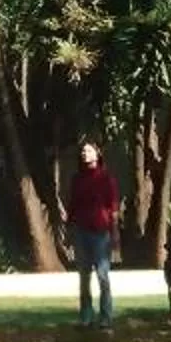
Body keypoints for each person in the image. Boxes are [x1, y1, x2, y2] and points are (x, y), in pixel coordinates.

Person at [66, 138, 120, 325]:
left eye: (88, 150)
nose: (85, 154)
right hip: (80, 232)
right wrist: (68, 231)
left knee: (102, 275)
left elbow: (113, 208)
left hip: (100, 233)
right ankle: (86, 314)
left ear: (97, 154)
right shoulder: (77, 179)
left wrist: (115, 234)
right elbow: (72, 206)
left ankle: (106, 315)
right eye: (82, 151)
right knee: (83, 276)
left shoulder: (106, 179)